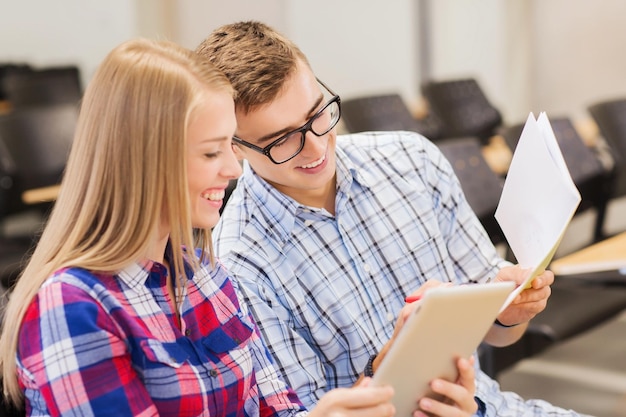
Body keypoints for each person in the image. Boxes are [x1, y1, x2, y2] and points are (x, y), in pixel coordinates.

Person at [199, 21, 590, 417]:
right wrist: (387, 369)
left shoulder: (411, 160)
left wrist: (509, 311)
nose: (316, 147)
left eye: (319, 114)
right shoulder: (240, 264)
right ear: (236, 146)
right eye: (282, 140)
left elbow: (498, 334)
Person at [0, 38, 407, 417]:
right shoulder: (73, 307)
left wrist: (382, 379)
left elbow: (278, 409)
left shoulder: (205, 275)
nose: (233, 169)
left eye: (231, 146)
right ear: (146, 162)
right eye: (212, 152)